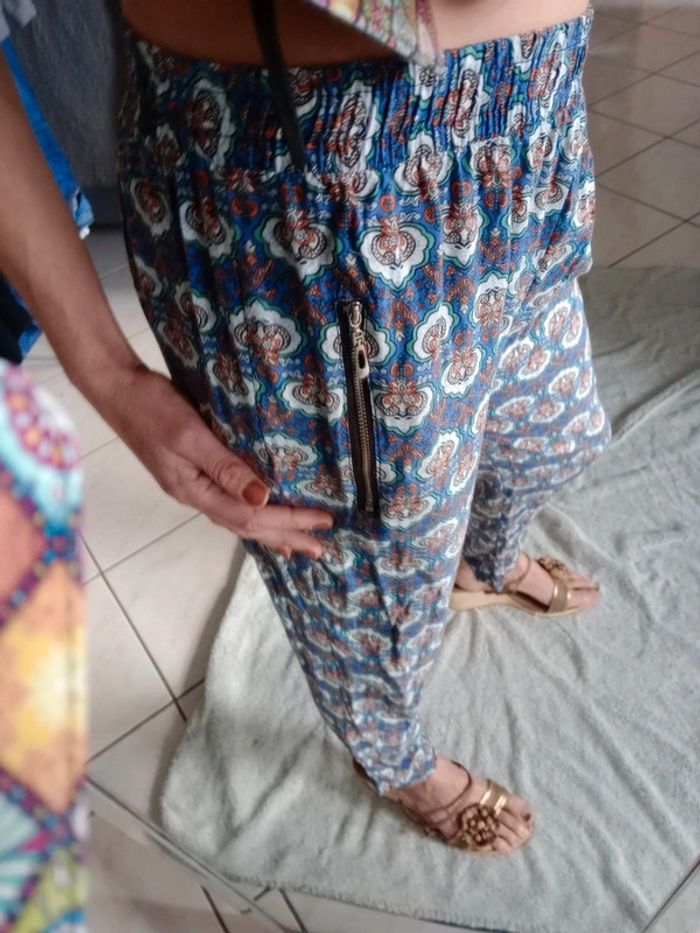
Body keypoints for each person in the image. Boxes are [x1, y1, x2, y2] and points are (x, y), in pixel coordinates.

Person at [0, 0, 611, 856]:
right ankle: (393, 757)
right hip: (314, 208)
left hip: (522, 142)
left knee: (557, 435)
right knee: (368, 579)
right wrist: (103, 368)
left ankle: (481, 562)